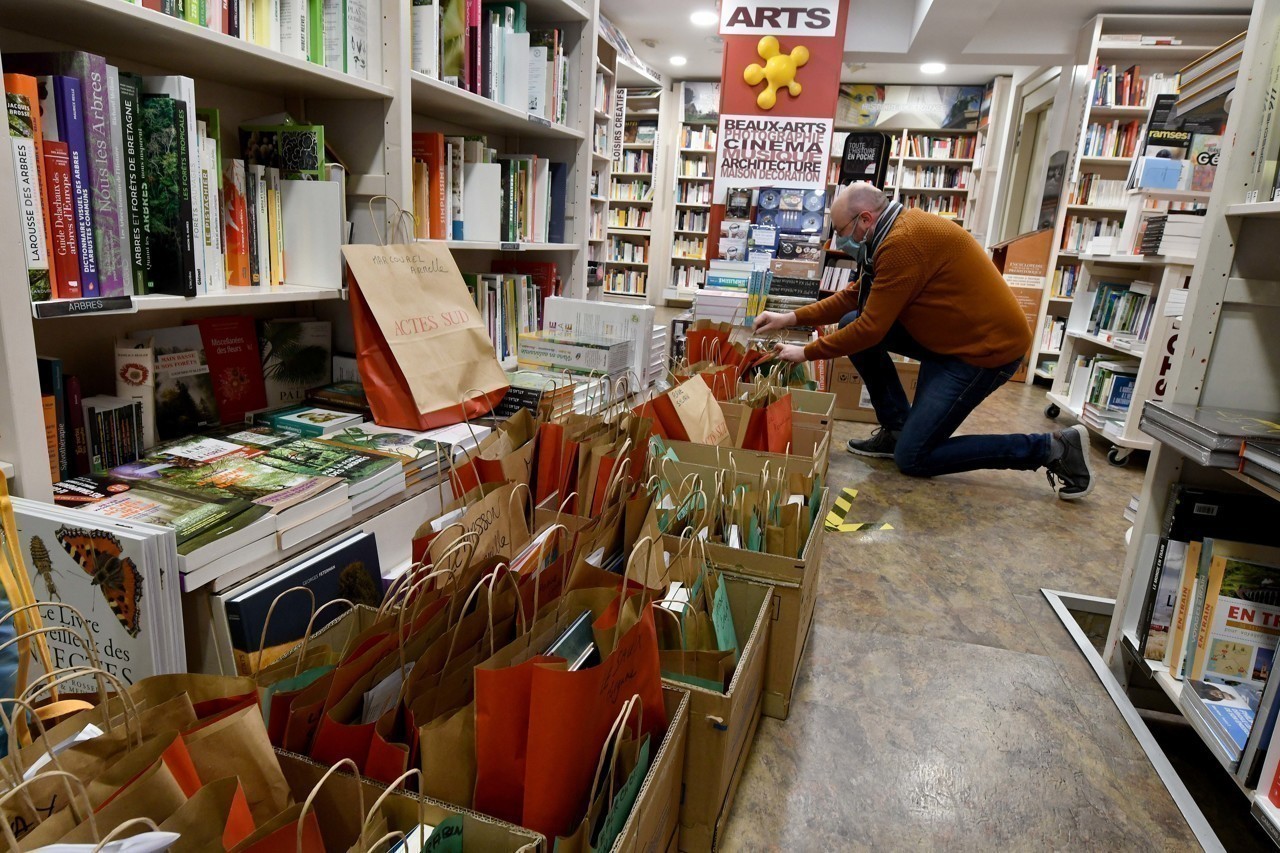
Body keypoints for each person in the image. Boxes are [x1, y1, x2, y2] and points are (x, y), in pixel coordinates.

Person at [753, 182, 1094, 499]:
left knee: (914, 458)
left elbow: (871, 328)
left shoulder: (903, 243)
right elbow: (855, 298)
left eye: (841, 231)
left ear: (865, 218)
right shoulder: (887, 235)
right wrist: (789, 317)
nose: (838, 240)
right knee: (849, 321)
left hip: (982, 353)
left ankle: (1053, 448)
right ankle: (898, 428)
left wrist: (807, 352)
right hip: (948, 339)